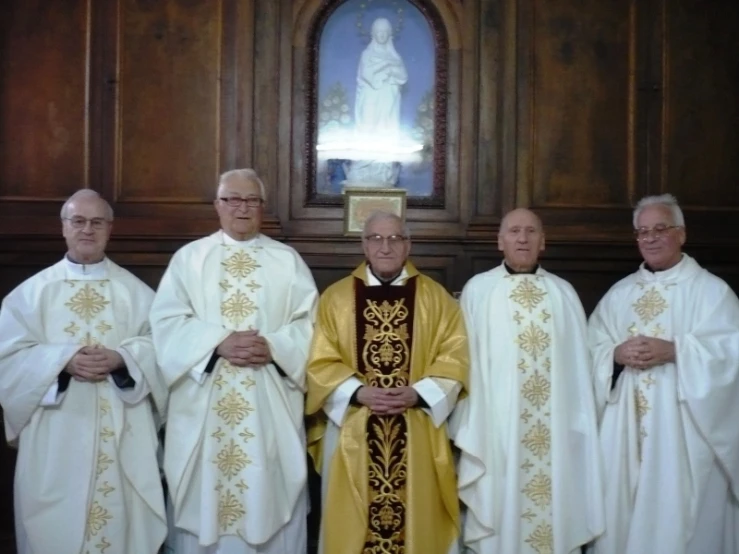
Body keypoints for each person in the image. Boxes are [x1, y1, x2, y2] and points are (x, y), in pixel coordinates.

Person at [150, 168, 318, 554]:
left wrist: (274, 346)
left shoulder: (287, 261)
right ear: (217, 206)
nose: (242, 208)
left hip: (266, 400)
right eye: (232, 199)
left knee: (267, 488)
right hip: (205, 404)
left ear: (263, 207)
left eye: (251, 200)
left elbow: (310, 325)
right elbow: (166, 322)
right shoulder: (189, 259)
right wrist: (218, 342)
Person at [0, 189, 168, 554]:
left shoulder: (137, 294)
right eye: (78, 221)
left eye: (96, 222)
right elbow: (8, 361)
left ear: (110, 228)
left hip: (121, 431)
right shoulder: (29, 296)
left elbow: (163, 348)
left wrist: (123, 357)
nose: (87, 230)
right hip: (56, 435)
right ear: (63, 227)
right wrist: (63, 360)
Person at [306, 210, 468, 554]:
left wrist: (417, 393)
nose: (385, 247)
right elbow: (319, 361)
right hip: (354, 424)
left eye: (394, 238)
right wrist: (358, 391)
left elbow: (455, 357)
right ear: (364, 245)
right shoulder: (335, 299)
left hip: (416, 424)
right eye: (376, 238)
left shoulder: (435, 299)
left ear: (408, 245)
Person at [588, 194, 739, 554]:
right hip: (624, 427)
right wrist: (615, 353)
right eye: (642, 232)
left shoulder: (713, 293)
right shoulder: (620, 293)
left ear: (681, 234)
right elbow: (589, 349)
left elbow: (732, 353)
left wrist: (675, 350)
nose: (651, 238)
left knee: (684, 516)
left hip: (686, 429)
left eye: (660, 229)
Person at [452, 208, 604, 554]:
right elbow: (464, 361)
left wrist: (580, 423)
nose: (523, 238)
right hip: (497, 427)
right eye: (514, 231)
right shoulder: (479, 291)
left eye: (531, 231)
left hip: (557, 432)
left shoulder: (563, 293)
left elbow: (581, 370)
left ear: (543, 241)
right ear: (500, 241)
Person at [345, 17, 408, 187]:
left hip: (388, 102)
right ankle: (363, 168)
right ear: (373, 34)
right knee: (368, 130)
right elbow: (368, 77)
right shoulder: (367, 54)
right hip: (370, 101)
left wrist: (388, 69)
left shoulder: (394, 56)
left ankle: (383, 170)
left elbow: (402, 77)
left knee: (386, 131)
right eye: (378, 32)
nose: (381, 35)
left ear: (389, 35)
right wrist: (386, 69)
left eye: (385, 32)